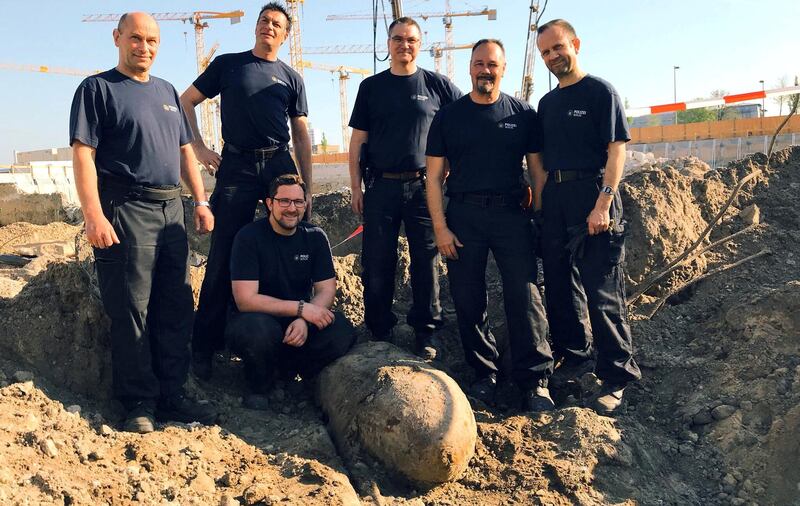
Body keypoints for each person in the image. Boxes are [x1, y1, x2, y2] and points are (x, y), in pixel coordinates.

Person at [69, 12, 217, 433]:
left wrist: (201, 201)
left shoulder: (168, 91)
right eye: (135, 38)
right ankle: (137, 401)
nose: (144, 47)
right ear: (117, 38)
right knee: (131, 308)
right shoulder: (97, 89)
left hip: (172, 210)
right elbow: (83, 154)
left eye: (152, 40)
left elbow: (186, 153)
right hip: (125, 208)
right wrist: (93, 215)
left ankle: (174, 394)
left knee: (174, 306)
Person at [180, 2, 312, 380]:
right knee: (223, 253)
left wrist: (306, 187)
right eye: (264, 21)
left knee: (290, 245)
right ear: (256, 27)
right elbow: (186, 101)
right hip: (236, 164)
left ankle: (291, 338)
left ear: (285, 36)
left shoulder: (290, 77)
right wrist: (201, 148)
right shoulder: (228, 64)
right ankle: (204, 348)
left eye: (277, 24)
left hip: (278, 164)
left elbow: (300, 133)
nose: (269, 27)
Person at [426, 39, 555, 411]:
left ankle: (535, 380)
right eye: (479, 63)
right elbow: (433, 178)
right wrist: (440, 228)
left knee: (524, 294)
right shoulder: (448, 117)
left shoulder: (522, 113)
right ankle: (484, 374)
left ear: (503, 69)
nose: (486, 70)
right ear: (469, 67)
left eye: (493, 64)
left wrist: (539, 218)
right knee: (468, 298)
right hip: (464, 216)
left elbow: (536, 171)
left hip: (511, 216)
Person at [531, 19, 642, 414]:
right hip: (557, 198)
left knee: (602, 290)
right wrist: (542, 208)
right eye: (545, 52)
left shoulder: (600, 92)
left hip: (593, 194)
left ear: (575, 44)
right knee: (561, 287)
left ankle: (616, 375)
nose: (552, 57)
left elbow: (616, 151)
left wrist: (603, 203)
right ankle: (575, 359)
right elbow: (540, 161)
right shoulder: (547, 104)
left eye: (557, 47)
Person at [348, 17, 462, 359]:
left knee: (426, 262)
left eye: (411, 39)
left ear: (420, 43)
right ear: (388, 44)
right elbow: (357, 141)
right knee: (377, 262)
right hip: (381, 186)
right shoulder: (371, 87)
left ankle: (427, 333)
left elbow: (463, 124)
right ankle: (379, 329)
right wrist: (355, 186)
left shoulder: (437, 85)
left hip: (424, 188)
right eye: (398, 39)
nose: (404, 45)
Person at [225, 174, 355, 409]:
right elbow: (245, 300)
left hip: (298, 321)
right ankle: (260, 385)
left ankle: (290, 372)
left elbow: (326, 289)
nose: (291, 208)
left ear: (305, 204)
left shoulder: (315, 237)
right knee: (259, 332)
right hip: (258, 319)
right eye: (284, 201)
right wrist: (302, 309)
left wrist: (304, 319)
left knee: (341, 331)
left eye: (298, 202)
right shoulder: (249, 238)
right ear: (269, 203)